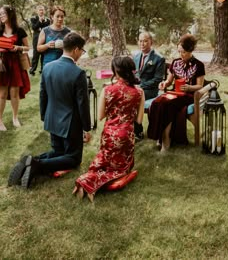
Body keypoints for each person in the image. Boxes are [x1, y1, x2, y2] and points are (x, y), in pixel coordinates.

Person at [8, 32, 91, 188]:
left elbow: (42, 95)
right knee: (73, 158)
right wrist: (86, 128)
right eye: (82, 50)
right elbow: (82, 104)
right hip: (70, 124)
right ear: (75, 50)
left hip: (52, 118)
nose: (81, 54)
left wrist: (44, 116)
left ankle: (29, 161)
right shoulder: (78, 73)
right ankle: (36, 165)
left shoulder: (47, 67)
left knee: (58, 152)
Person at [72, 56, 145, 203]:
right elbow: (139, 120)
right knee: (120, 169)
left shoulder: (107, 89)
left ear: (116, 72)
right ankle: (97, 181)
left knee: (103, 164)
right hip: (127, 135)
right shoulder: (139, 92)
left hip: (110, 134)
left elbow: (100, 116)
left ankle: (86, 180)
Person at [147, 33, 205, 152]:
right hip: (175, 94)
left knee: (166, 105)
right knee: (157, 103)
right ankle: (160, 136)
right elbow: (169, 80)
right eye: (179, 51)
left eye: (183, 52)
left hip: (189, 96)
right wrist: (164, 84)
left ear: (190, 50)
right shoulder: (175, 62)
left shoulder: (199, 65)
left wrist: (189, 87)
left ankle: (166, 141)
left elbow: (200, 86)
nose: (181, 54)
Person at [0, 5, 30, 131]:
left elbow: (27, 47)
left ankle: (15, 118)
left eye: (3, 14)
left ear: (10, 15)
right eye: (0, 14)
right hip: (2, 64)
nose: (1, 16)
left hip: (16, 63)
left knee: (14, 93)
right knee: (2, 93)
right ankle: (0, 121)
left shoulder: (20, 30)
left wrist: (18, 48)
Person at [133, 31, 165, 140]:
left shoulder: (159, 58)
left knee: (133, 97)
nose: (142, 44)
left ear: (151, 42)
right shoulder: (136, 56)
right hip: (137, 88)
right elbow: (133, 73)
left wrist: (141, 86)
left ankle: (138, 132)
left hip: (151, 90)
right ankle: (127, 129)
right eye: (140, 41)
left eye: (145, 41)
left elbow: (157, 79)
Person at [29, 5, 50, 76]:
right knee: (36, 54)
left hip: (45, 39)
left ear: (44, 11)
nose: (41, 11)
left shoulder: (48, 19)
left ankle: (43, 69)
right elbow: (34, 27)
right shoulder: (34, 18)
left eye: (42, 10)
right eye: (40, 10)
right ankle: (32, 70)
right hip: (36, 38)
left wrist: (41, 25)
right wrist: (40, 21)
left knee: (44, 54)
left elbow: (47, 29)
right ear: (37, 11)